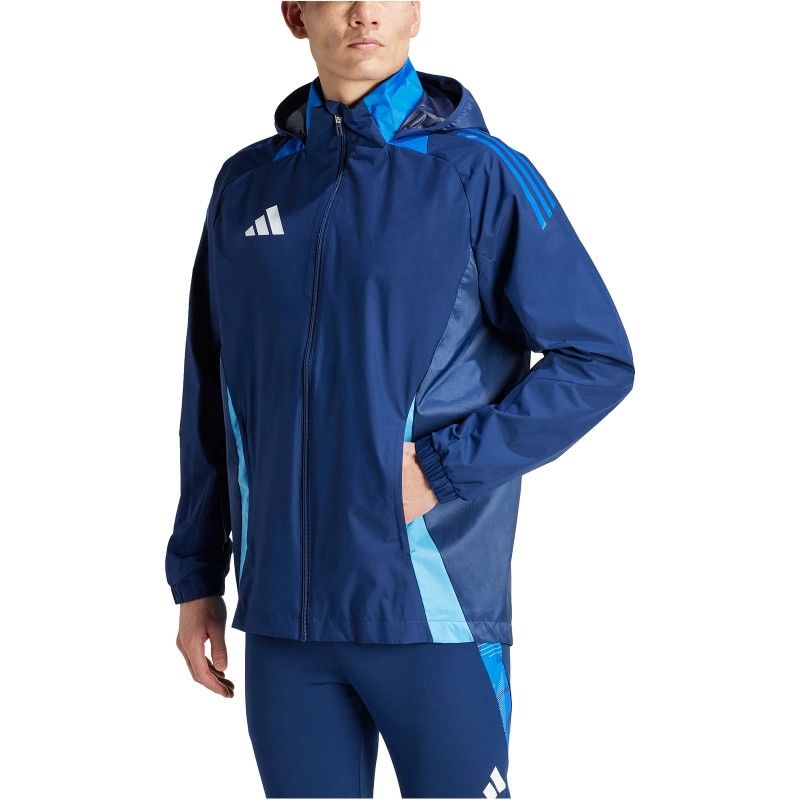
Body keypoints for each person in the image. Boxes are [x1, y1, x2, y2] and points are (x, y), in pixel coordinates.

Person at [165, 2, 634, 797]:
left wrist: (444, 469)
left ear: (415, 10)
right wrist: (198, 574)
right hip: (283, 623)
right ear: (295, 14)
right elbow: (212, 391)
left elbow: (596, 360)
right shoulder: (246, 186)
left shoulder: (479, 174)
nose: (361, 12)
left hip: (431, 613)